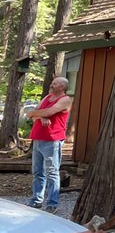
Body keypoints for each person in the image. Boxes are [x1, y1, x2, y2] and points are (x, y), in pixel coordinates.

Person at [25, 77, 73, 212]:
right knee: (38, 171)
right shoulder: (47, 97)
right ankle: (36, 200)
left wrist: (39, 114)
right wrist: (41, 116)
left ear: (62, 87)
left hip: (52, 140)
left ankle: (52, 204)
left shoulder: (65, 100)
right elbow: (30, 113)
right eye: (52, 82)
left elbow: (49, 111)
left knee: (52, 172)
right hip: (38, 138)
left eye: (55, 83)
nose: (52, 85)